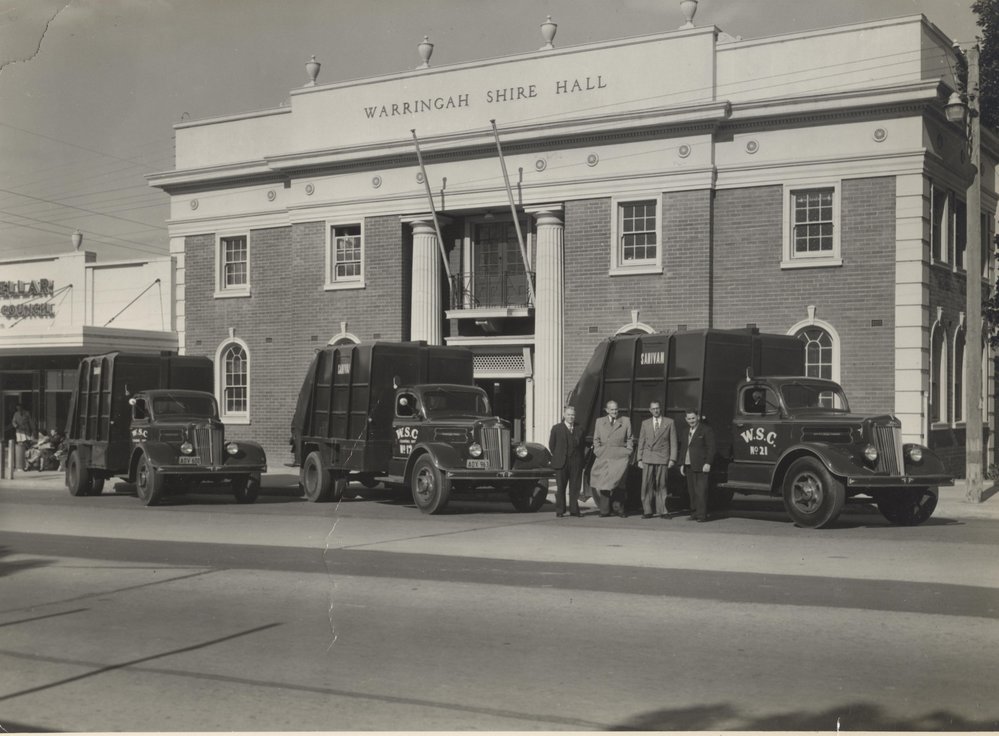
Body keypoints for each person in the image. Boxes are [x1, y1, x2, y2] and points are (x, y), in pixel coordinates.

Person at [589, 400, 633, 518]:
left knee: (620, 484)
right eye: (612, 410)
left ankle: (619, 509)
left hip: (620, 457)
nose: (614, 412)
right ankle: (604, 510)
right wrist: (598, 451)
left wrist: (628, 451)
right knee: (604, 483)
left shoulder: (625, 421)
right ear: (607, 410)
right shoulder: (600, 422)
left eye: (616, 409)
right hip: (605, 455)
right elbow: (596, 439)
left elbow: (630, 438)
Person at [636, 401, 677, 519]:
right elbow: (641, 442)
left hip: (662, 457)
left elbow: (673, 442)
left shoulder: (669, 422)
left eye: (657, 408)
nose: (656, 411)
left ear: (660, 409)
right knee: (646, 484)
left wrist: (672, 459)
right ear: (650, 410)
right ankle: (647, 510)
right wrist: (639, 458)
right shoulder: (645, 423)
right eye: (653, 409)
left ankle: (663, 511)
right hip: (648, 457)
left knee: (662, 484)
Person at [678, 408, 716, 522]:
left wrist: (708, 463)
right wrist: (681, 464)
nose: (691, 421)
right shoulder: (685, 431)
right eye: (689, 419)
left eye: (693, 418)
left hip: (701, 465)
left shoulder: (706, 430)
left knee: (701, 491)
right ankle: (694, 513)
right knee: (692, 491)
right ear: (686, 419)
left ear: (698, 417)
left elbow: (712, 448)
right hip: (688, 464)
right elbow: (684, 448)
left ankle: (702, 515)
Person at [548, 405, 586, 518]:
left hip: (576, 461)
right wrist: (559, 455)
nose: (571, 417)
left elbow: (582, 445)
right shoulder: (556, 428)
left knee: (575, 487)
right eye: (569, 414)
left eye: (573, 415)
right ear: (564, 415)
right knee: (561, 487)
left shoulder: (580, 429)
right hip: (561, 461)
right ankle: (560, 510)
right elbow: (552, 445)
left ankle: (574, 510)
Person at [11, 404, 35, 472]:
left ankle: (28, 463)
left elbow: (30, 421)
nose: (19, 409)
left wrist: (33, 430)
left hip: (26, 430)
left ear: (22, 407)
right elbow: (13, 421)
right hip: (19, 431)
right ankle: (20, 464)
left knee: (27, 445)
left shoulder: (27, 413)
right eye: (17, 408)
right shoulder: (16, 414)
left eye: (20, 408)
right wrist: (16, 425)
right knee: (20, 445)